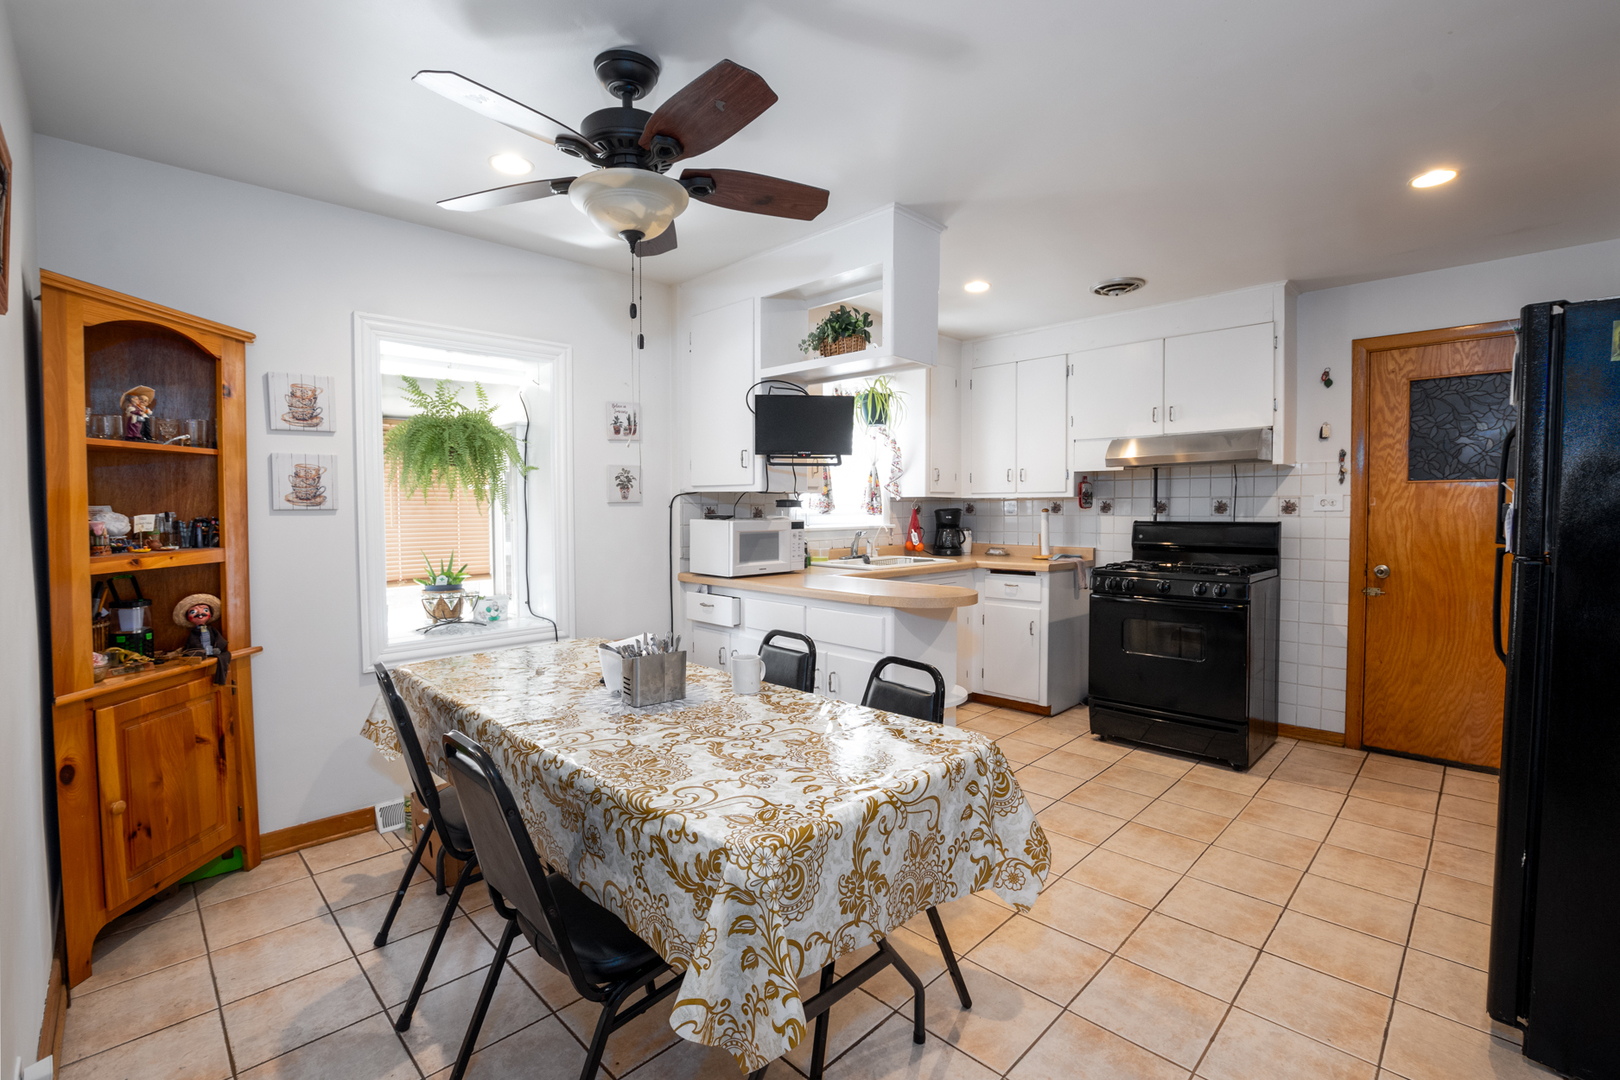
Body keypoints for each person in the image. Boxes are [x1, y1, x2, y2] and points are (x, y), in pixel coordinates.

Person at [173, 593, 229, 684]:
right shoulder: (194, 632)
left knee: (225, 655)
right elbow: (193, 642)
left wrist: (218, 647)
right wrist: (201, 650)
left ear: (210, 614)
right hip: (201, 652)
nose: (200, 614)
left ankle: (220, 680)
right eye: (193, 612)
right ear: (188, 617)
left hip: (212, 650)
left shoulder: (212, 630)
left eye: (205, 610)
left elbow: (219, 639)